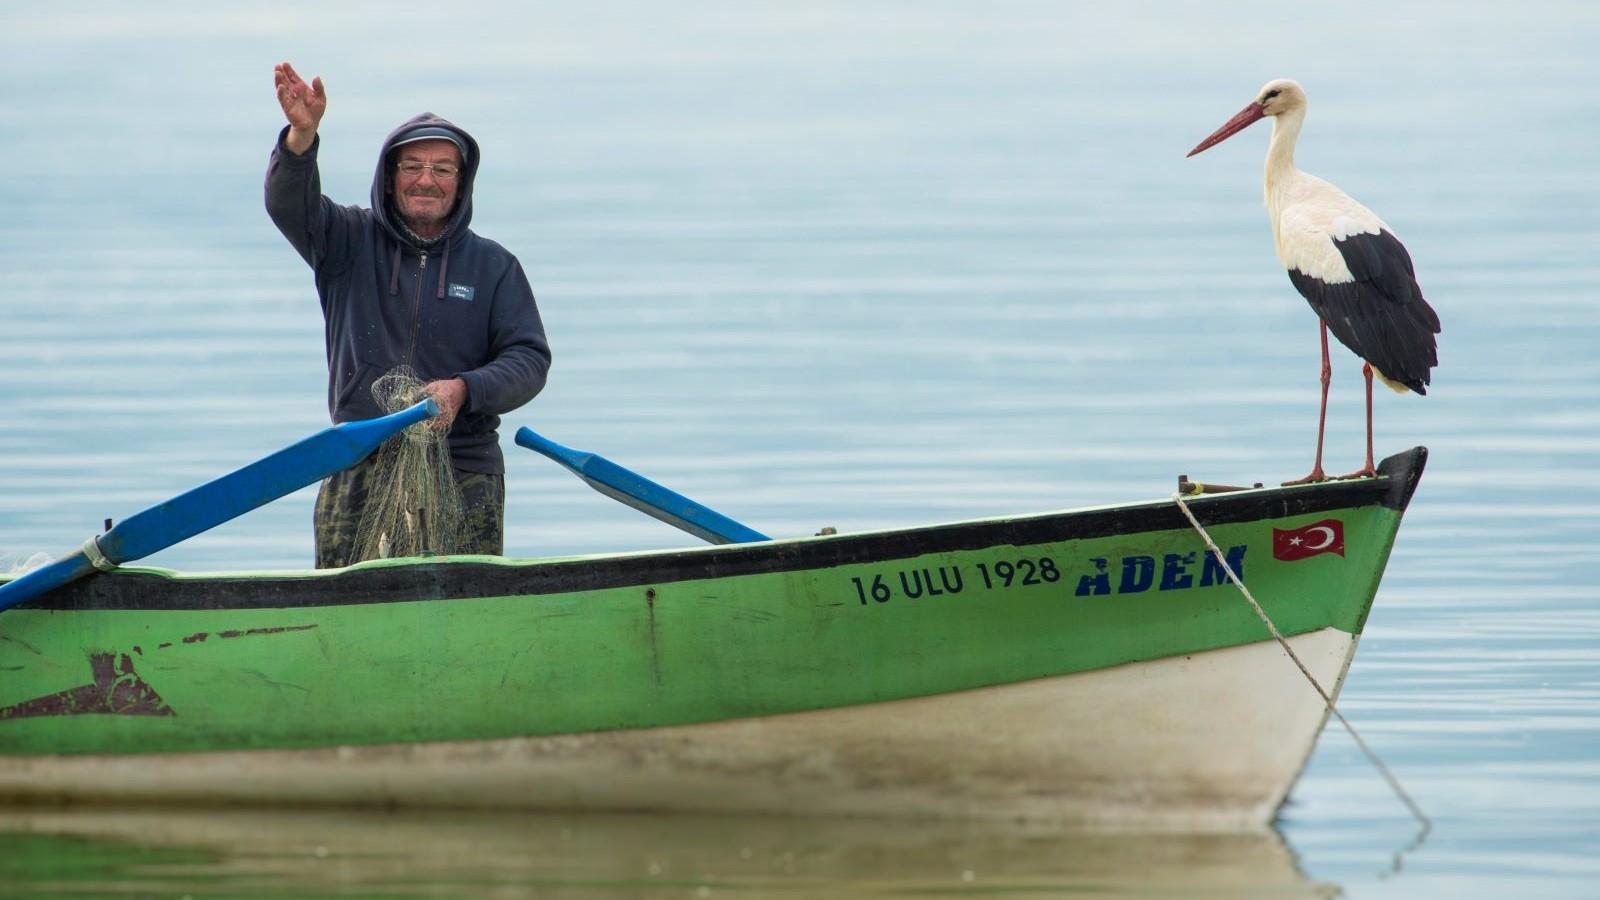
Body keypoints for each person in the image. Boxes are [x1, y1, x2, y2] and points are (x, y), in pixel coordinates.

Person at [266, 62, 552, 568]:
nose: (427, 180)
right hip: (358, 462)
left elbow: (528, 361)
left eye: (442, 169)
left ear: (461, 183)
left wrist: (464, 389)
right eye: (413, 166)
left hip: (466, 469)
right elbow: (289, 205)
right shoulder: (345, 241)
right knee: (344, 612)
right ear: (390, 176)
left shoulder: (494, 266)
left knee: (470, 612)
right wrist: (301, 138)